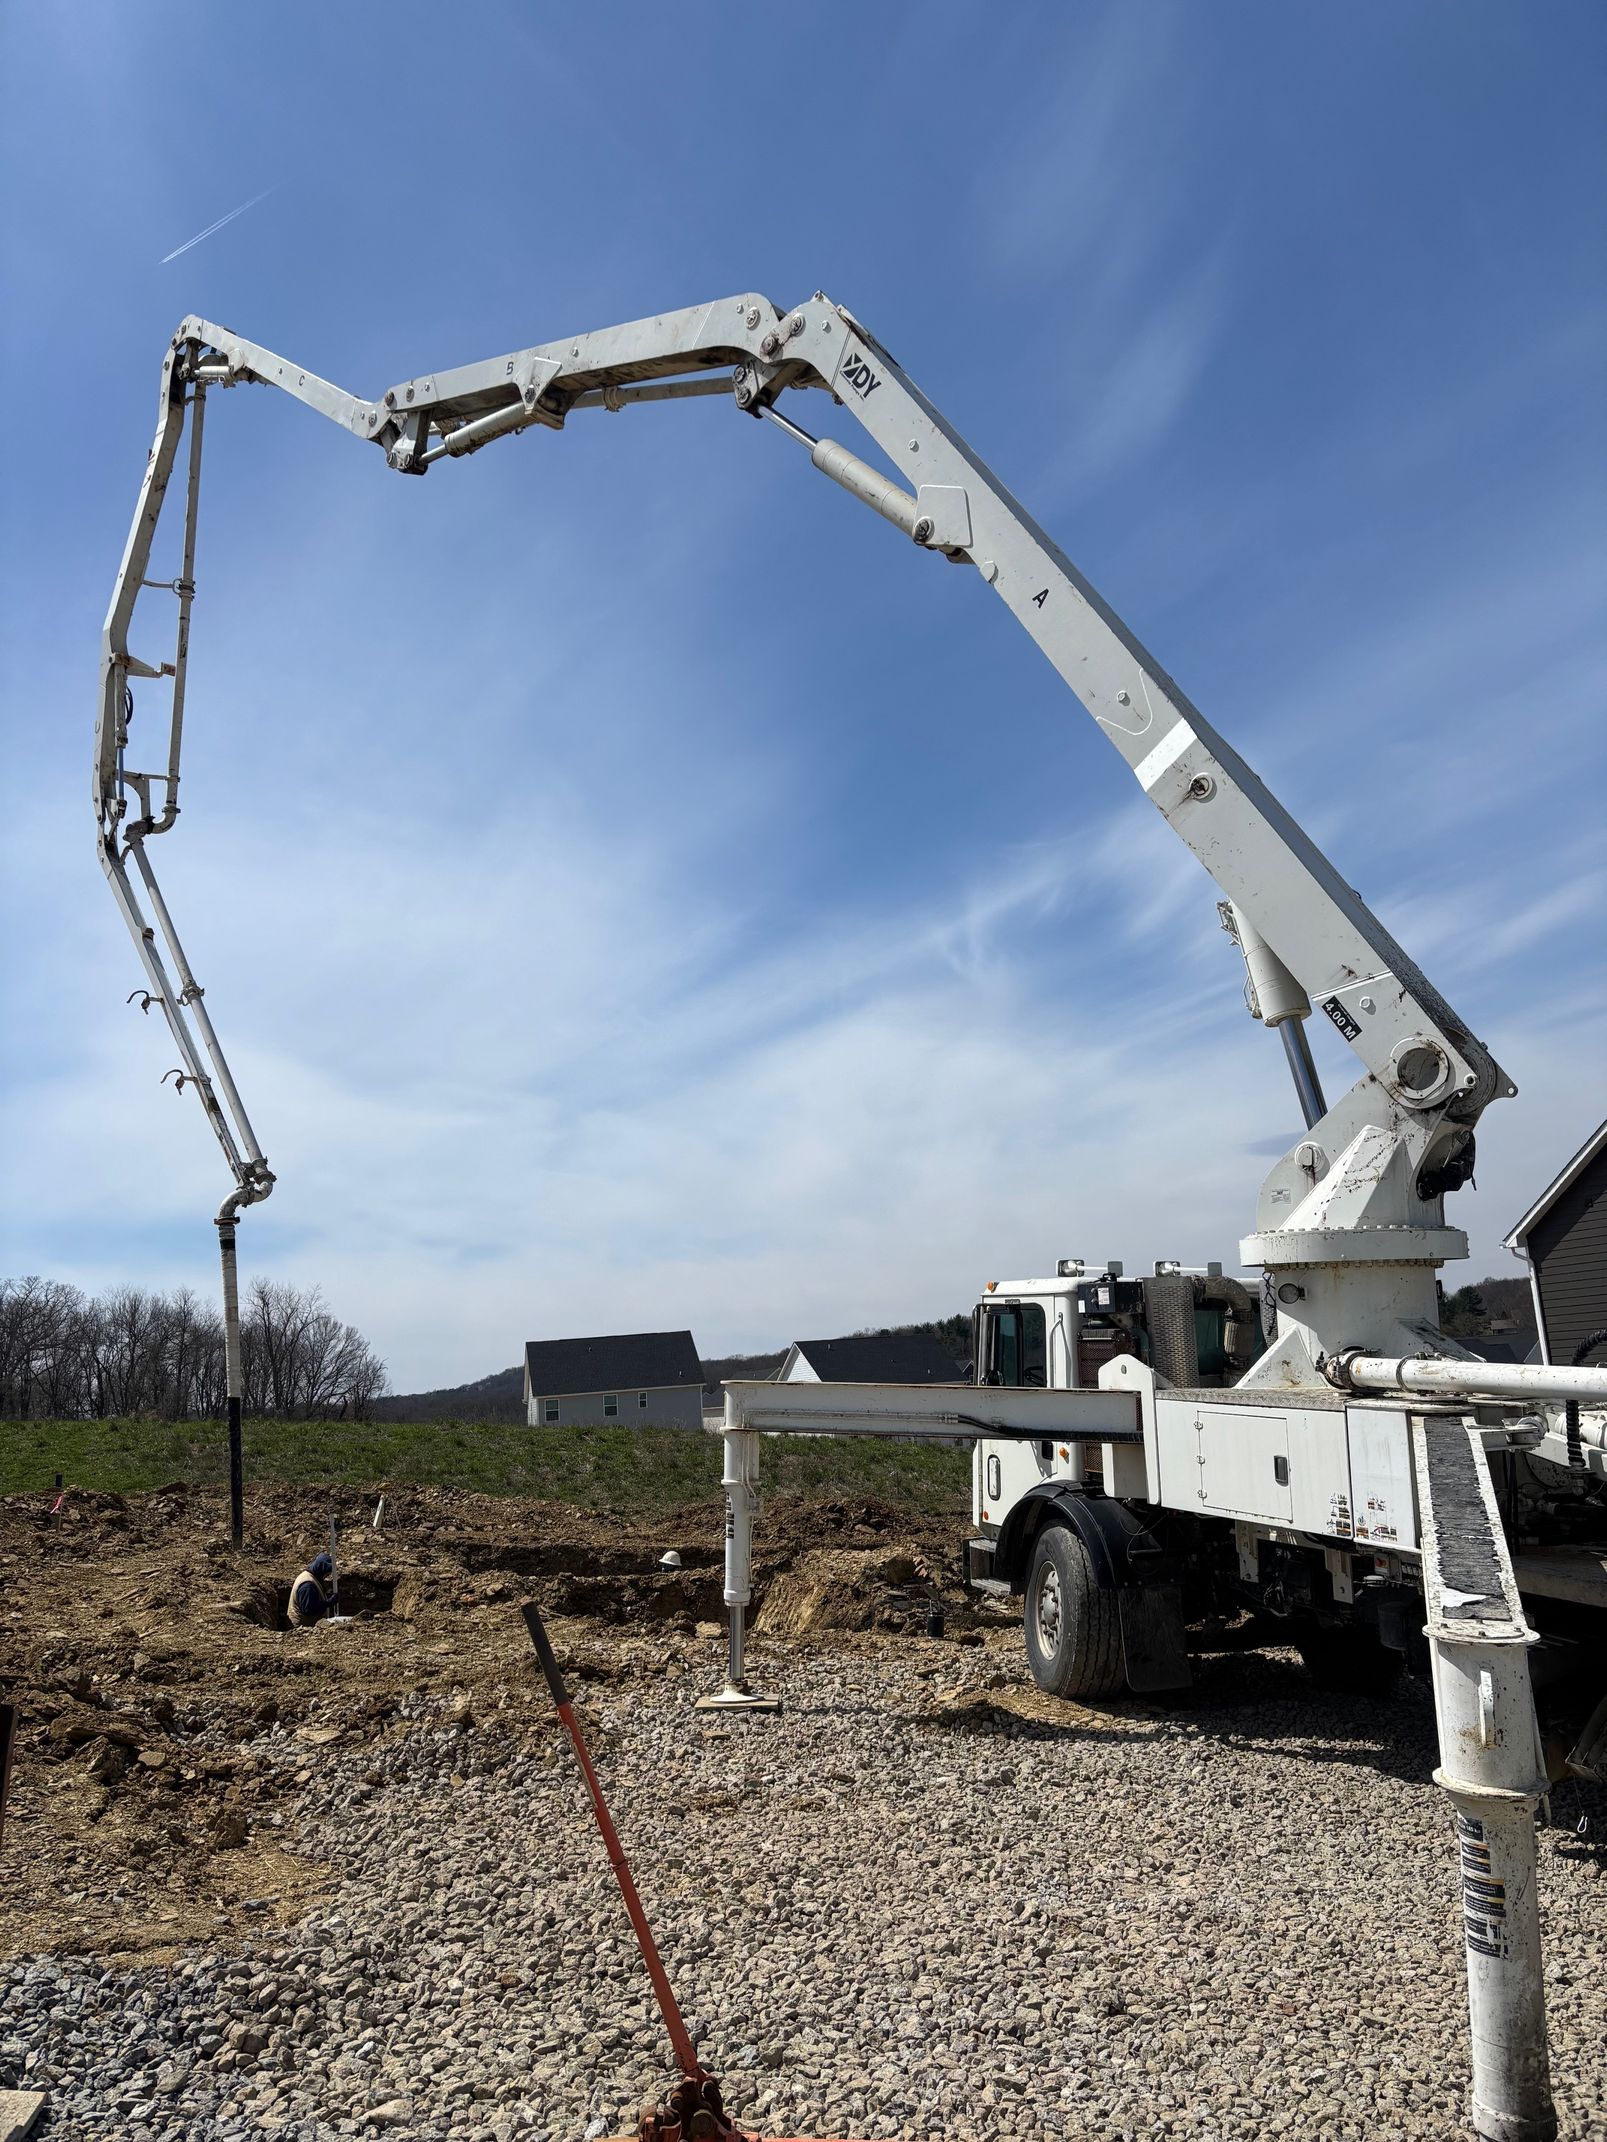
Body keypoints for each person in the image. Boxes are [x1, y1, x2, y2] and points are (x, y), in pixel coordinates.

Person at [287, 1552, 337, 1628]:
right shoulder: (308, 1586)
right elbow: (309, 1609)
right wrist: (328, 1603)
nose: (326, 1576)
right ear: (322, 1570)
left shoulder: (311, 1576)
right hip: (302, 1627)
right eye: (326, 1574)